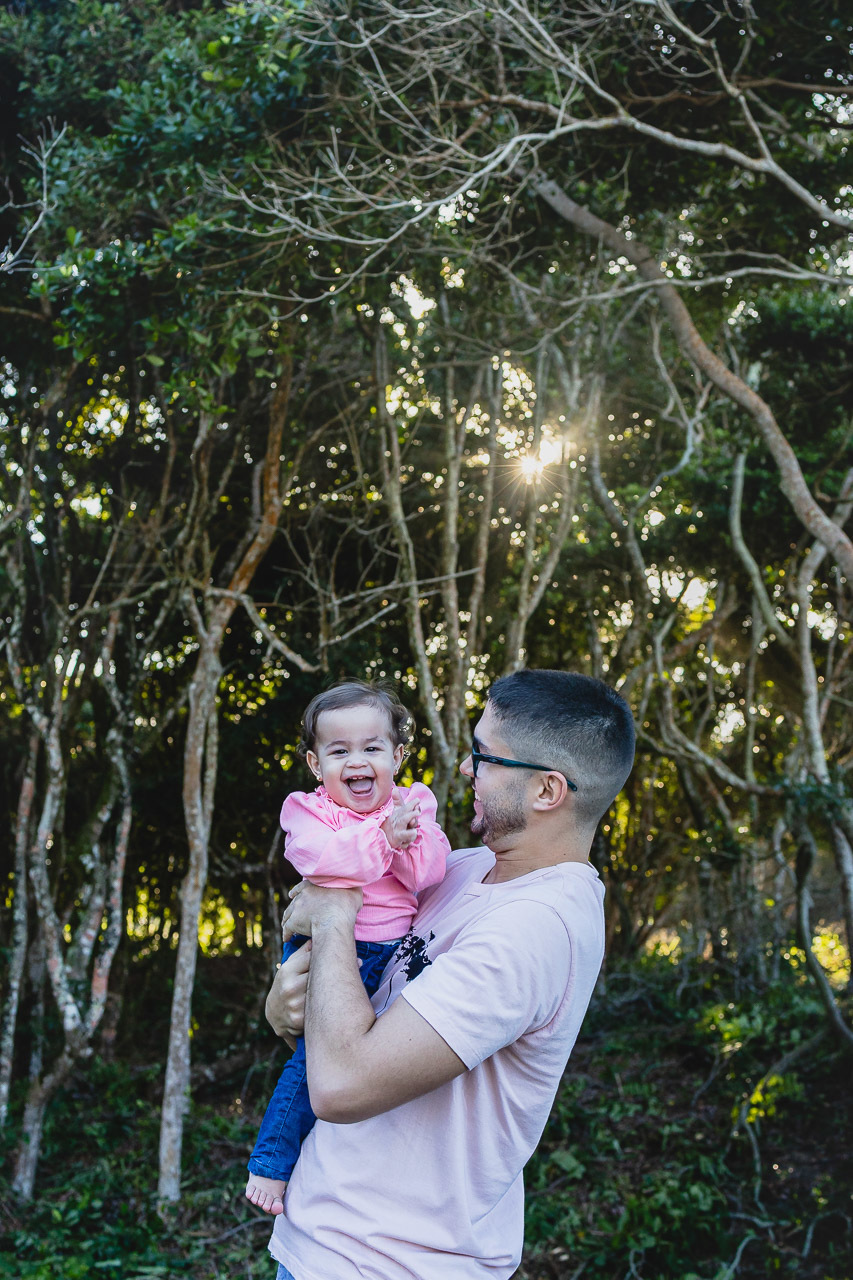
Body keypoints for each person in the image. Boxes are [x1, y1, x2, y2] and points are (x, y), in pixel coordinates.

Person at [263, 668, 635, 1280]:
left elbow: (341, 1085)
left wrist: (332, 913)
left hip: (393, 1264)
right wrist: (283, 1005)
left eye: (485, 756)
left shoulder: (537, 928)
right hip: (322, 1241)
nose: (465, 769)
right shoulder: (459, 870)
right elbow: (333, 1009)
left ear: (547, 790)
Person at [245, 680, 450, 1217]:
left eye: (372, 748)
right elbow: (325, 863)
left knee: (376, 1057)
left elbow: (429, 874)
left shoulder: (414, 803)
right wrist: (383, 836)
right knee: (314, 1059)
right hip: (334, 948)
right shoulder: (309, 812)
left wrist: (407, 839)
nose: (356, 761)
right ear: (316, 765)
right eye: (339, 751)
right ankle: (270, 1162)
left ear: (397, 755)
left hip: (392, 953)